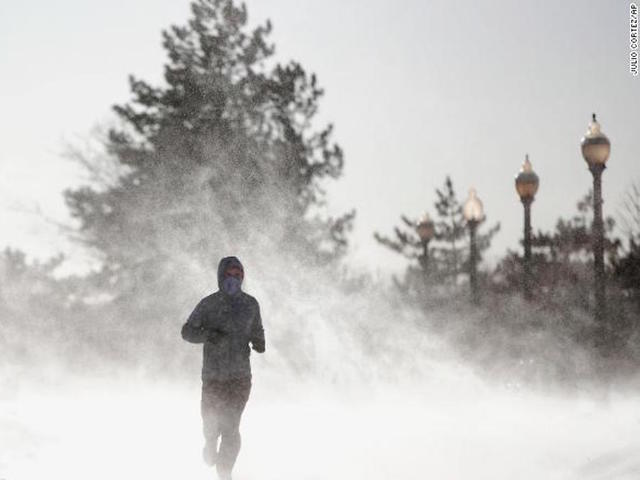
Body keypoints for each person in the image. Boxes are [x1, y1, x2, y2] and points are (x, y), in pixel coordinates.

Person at [181, 256, 265, 480]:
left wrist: (259, 342)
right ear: (221, 276)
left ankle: (224, 472)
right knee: (211, 424)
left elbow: (257, 329)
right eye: (230, 274)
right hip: (213, 378)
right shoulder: (208, 304)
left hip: (240, 378)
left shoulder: (250, 304)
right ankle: (210, 444)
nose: (234, 279)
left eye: (238, 275)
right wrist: (208, 335)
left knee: (230, 426)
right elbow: (187, 331)